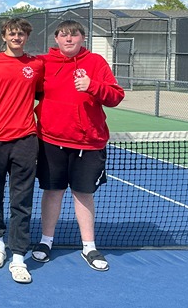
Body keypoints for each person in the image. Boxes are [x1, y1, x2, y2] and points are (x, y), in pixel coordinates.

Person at [31, 20, 124, 271]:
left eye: (74, 35)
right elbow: (20, 75)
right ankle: (46, 241)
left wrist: (93, 86)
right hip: (51, 141)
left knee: (83, 194)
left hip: (89, 143)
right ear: (56, 39)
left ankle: (89, 246)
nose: (69, 39)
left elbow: (116, 96)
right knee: (52, 192)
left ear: (83, 38)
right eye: (64, 35)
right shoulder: (44, 62)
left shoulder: (96, 62)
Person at [0, 18, 44, 284]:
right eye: (12, 33)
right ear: (4, 36)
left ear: (26, 37)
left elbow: (42, 92)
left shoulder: (36, 65)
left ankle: (18, 257)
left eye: (21, 34)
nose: (16, 37)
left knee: (22, 201)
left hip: (25, 140)